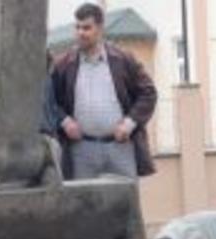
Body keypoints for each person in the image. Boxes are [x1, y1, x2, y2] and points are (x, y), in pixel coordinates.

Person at [50, 2, 157, 179]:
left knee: (125, 204)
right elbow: (48, 101)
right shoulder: (64, 64)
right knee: (85, 204)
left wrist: (129, 123)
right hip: (81, 150)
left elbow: (148, 93)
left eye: (86, 28)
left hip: (120, 148)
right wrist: (64, 121)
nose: (80, 33)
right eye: (77, 27)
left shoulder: (123, 60)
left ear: (100, 28)